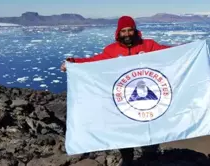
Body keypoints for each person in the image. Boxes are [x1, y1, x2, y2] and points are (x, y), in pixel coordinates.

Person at [60, 15, 173, 166]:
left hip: (147, 100)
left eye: (130, 30)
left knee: (149, 131)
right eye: (123, 31)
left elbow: (171, 53)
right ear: (118, 33)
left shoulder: (149, 45)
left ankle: (150, 157)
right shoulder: (111, 50)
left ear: (135, 31)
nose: (127, 34)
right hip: (123, 101)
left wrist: (193, 48)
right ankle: (127, 158)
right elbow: (94, 62)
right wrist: (73, 62)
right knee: (123, 130)